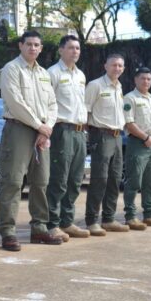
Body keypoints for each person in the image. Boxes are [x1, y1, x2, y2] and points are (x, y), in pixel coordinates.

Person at [0, 31, 59, 251]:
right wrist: (38, 125)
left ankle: (39, 228)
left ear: (41, 48)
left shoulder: (43, 73)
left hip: (42, 131)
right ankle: (8, 232)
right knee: (13, 181)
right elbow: (15, 102)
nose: (33, 48)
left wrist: (47, 127)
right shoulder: (11, 69)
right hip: (19, 129)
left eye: (37, 45)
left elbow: (53, 104)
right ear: (20, 46)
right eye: (29, 44)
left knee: (41, 182)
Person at [45, 35, 89, 241]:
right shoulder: (52, 73)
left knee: (75, 179)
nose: (75, 52)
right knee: (59, 179)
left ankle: (67, 221)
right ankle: (52, 223)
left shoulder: (80, 75)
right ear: (61, 50)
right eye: (71, 48)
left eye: (78, 48)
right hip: (61, 130)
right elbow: (46, 103)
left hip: (80, 131)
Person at [84, 54, 129, 235]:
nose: (117, 69)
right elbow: (85, 112)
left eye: (120, 66)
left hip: (118, 136)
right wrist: (92, 135)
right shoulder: (95, 85)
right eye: (113, 65)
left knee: (115, 179)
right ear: (105, 66)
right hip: (101, 135)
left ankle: (109, 218)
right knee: (99, 179)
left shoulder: (119, 87)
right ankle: (92, 220)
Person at [123, 67, 151, 229]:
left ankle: (149, 214)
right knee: (134, 180)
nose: (146, 82)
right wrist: (145, 137)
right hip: (138, 143)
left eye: (149, 79)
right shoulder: (130, 98)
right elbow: (129, 122)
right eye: (143, 78)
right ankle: (130, 216)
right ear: (136, 80)